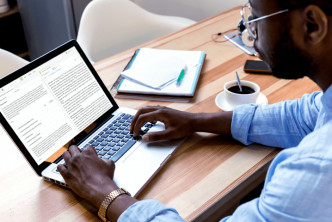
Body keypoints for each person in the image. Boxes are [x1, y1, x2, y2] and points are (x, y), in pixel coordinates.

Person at [57, 0, 332, 221]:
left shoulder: (318, 168)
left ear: (312, 25)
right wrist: (196, 121)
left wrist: (106, 193)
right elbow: (305, 116)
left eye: (256, 18)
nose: (248, 31)